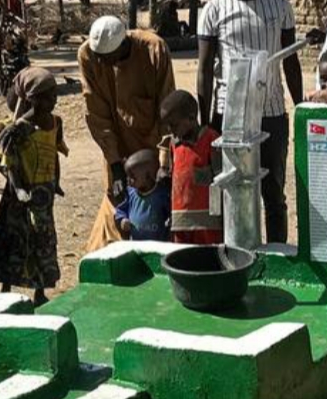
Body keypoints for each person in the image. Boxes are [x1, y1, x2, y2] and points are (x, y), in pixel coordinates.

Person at [197, 0, 304, 244]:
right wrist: (206, 122)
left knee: (273, 193)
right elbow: (205, 69)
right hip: (229, 116)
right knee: (231, 189)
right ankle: (233, 252)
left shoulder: (279, 6)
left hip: (271, 113)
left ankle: (277, 251)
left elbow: (290, 60)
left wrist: (301, 107)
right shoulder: (213, 10)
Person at [78, 16, 177, 254]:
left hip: (151, 157)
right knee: (116, 216)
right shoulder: (89, 55)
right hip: (118, 153)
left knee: (157, 218)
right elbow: (96, 113)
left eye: (107, 58)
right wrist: (114, 163)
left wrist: (164, 160)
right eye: (99, 57)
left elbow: (167, 106)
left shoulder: (154, 49)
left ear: (123, 45)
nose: (101, 63)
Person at [0, 69, 65, 306]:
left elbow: (54, 153)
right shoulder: (19, 128)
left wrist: (56, 182)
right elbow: (9, 161)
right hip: (22, 195)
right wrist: (19, 188)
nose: (53, 100)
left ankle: (40, 290)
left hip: (44, 195)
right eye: (47, 96)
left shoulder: (55, 123)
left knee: (43, 241)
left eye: (54, 95)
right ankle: (7, 286)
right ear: (32, 98)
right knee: (17, 240)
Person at [161, 90, 222, 245]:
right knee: (181, 256)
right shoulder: (174, 145)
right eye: (167, 126)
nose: (170, 130)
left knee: (207, 256)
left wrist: (220, 216)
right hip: (180, 221)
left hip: (207, 223)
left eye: (173, 125)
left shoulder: (211, 139)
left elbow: (220, 181)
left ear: (191, 118)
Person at [113, 149, 171, 242]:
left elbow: (170, 213)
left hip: (157, 244)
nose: (128, 180)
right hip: (135, 243)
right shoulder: (130, 193)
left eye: (133, 177)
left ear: (148, 177)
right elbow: (121, 210)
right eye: (127, 176)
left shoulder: (161, 195)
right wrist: (123, 220)